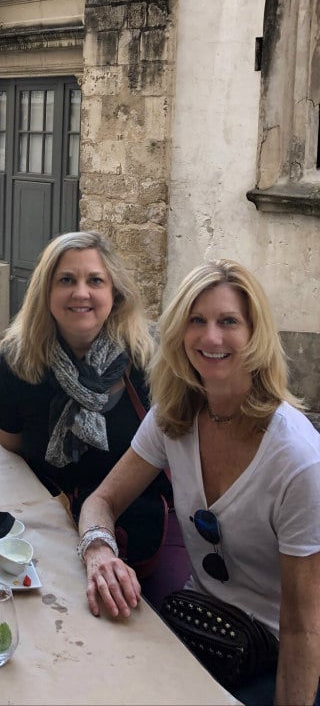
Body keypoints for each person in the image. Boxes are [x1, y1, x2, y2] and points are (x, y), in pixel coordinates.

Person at [78, 260, 320, 705]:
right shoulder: (175, 414)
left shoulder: (298, 460)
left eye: (228, 321)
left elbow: (304, 626)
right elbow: (103, 500)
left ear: (255, 334)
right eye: (197, 320)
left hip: (277, 653)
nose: (211, 338)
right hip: (202, 627)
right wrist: (98, 551)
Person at [0, 230, 176, 578]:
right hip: (42, 541)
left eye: (95, 280)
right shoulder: (18, 363)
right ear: (46, 291)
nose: (81, 292)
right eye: (66, 280)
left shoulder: (149, 360)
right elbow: (10, 444)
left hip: (141, 536)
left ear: (114, 293)